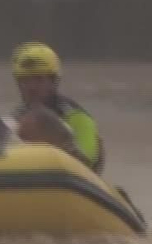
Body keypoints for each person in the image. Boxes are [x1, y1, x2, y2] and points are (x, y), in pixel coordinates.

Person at [10, 42, 105, 172]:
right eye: (25, 80)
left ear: (53, 81)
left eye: (38, 79)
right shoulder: (17, 117)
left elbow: (87, 162)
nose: (31, 87)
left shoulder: (77, 116)